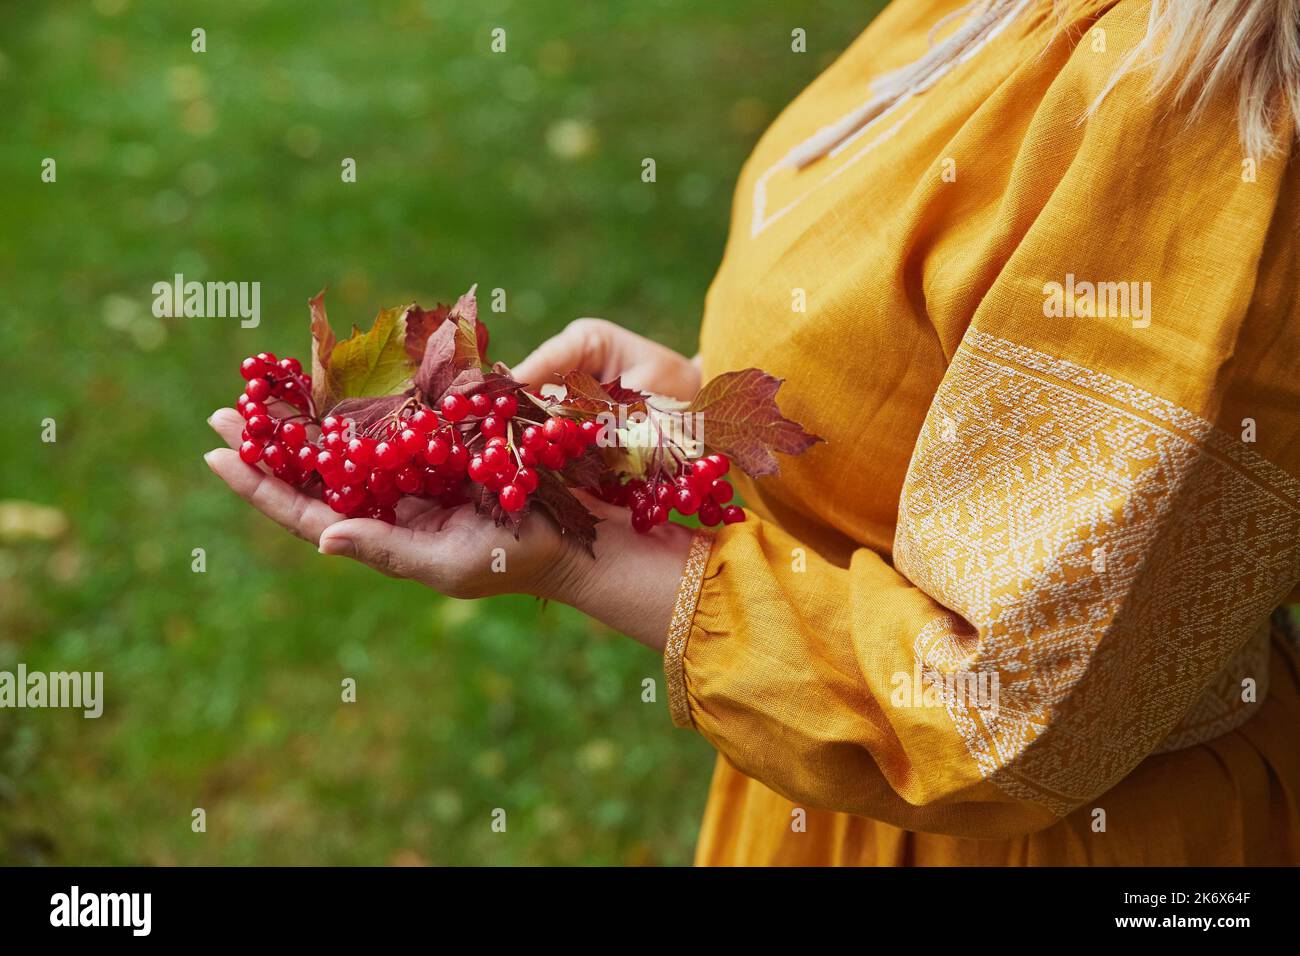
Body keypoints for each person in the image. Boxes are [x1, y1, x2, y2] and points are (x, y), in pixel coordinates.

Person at [207, 0, 1300, 865]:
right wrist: (689, 419)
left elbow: (1008, 714)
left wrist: (600, 563)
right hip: (827, 795)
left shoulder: (1219, 124)